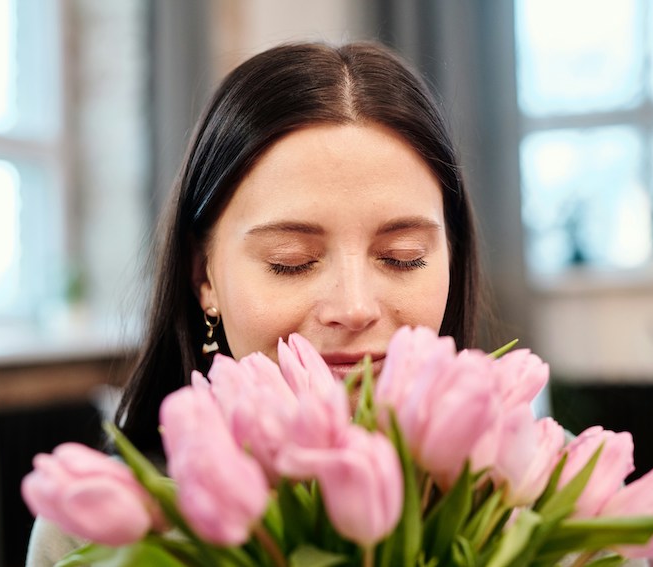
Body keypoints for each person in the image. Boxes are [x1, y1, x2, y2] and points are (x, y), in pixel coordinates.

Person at [25, 39, 484, 566]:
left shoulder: (536, 486)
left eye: (403, 257)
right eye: (291, 261)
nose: (355, 308)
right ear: (205, 278)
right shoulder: (93, 523)